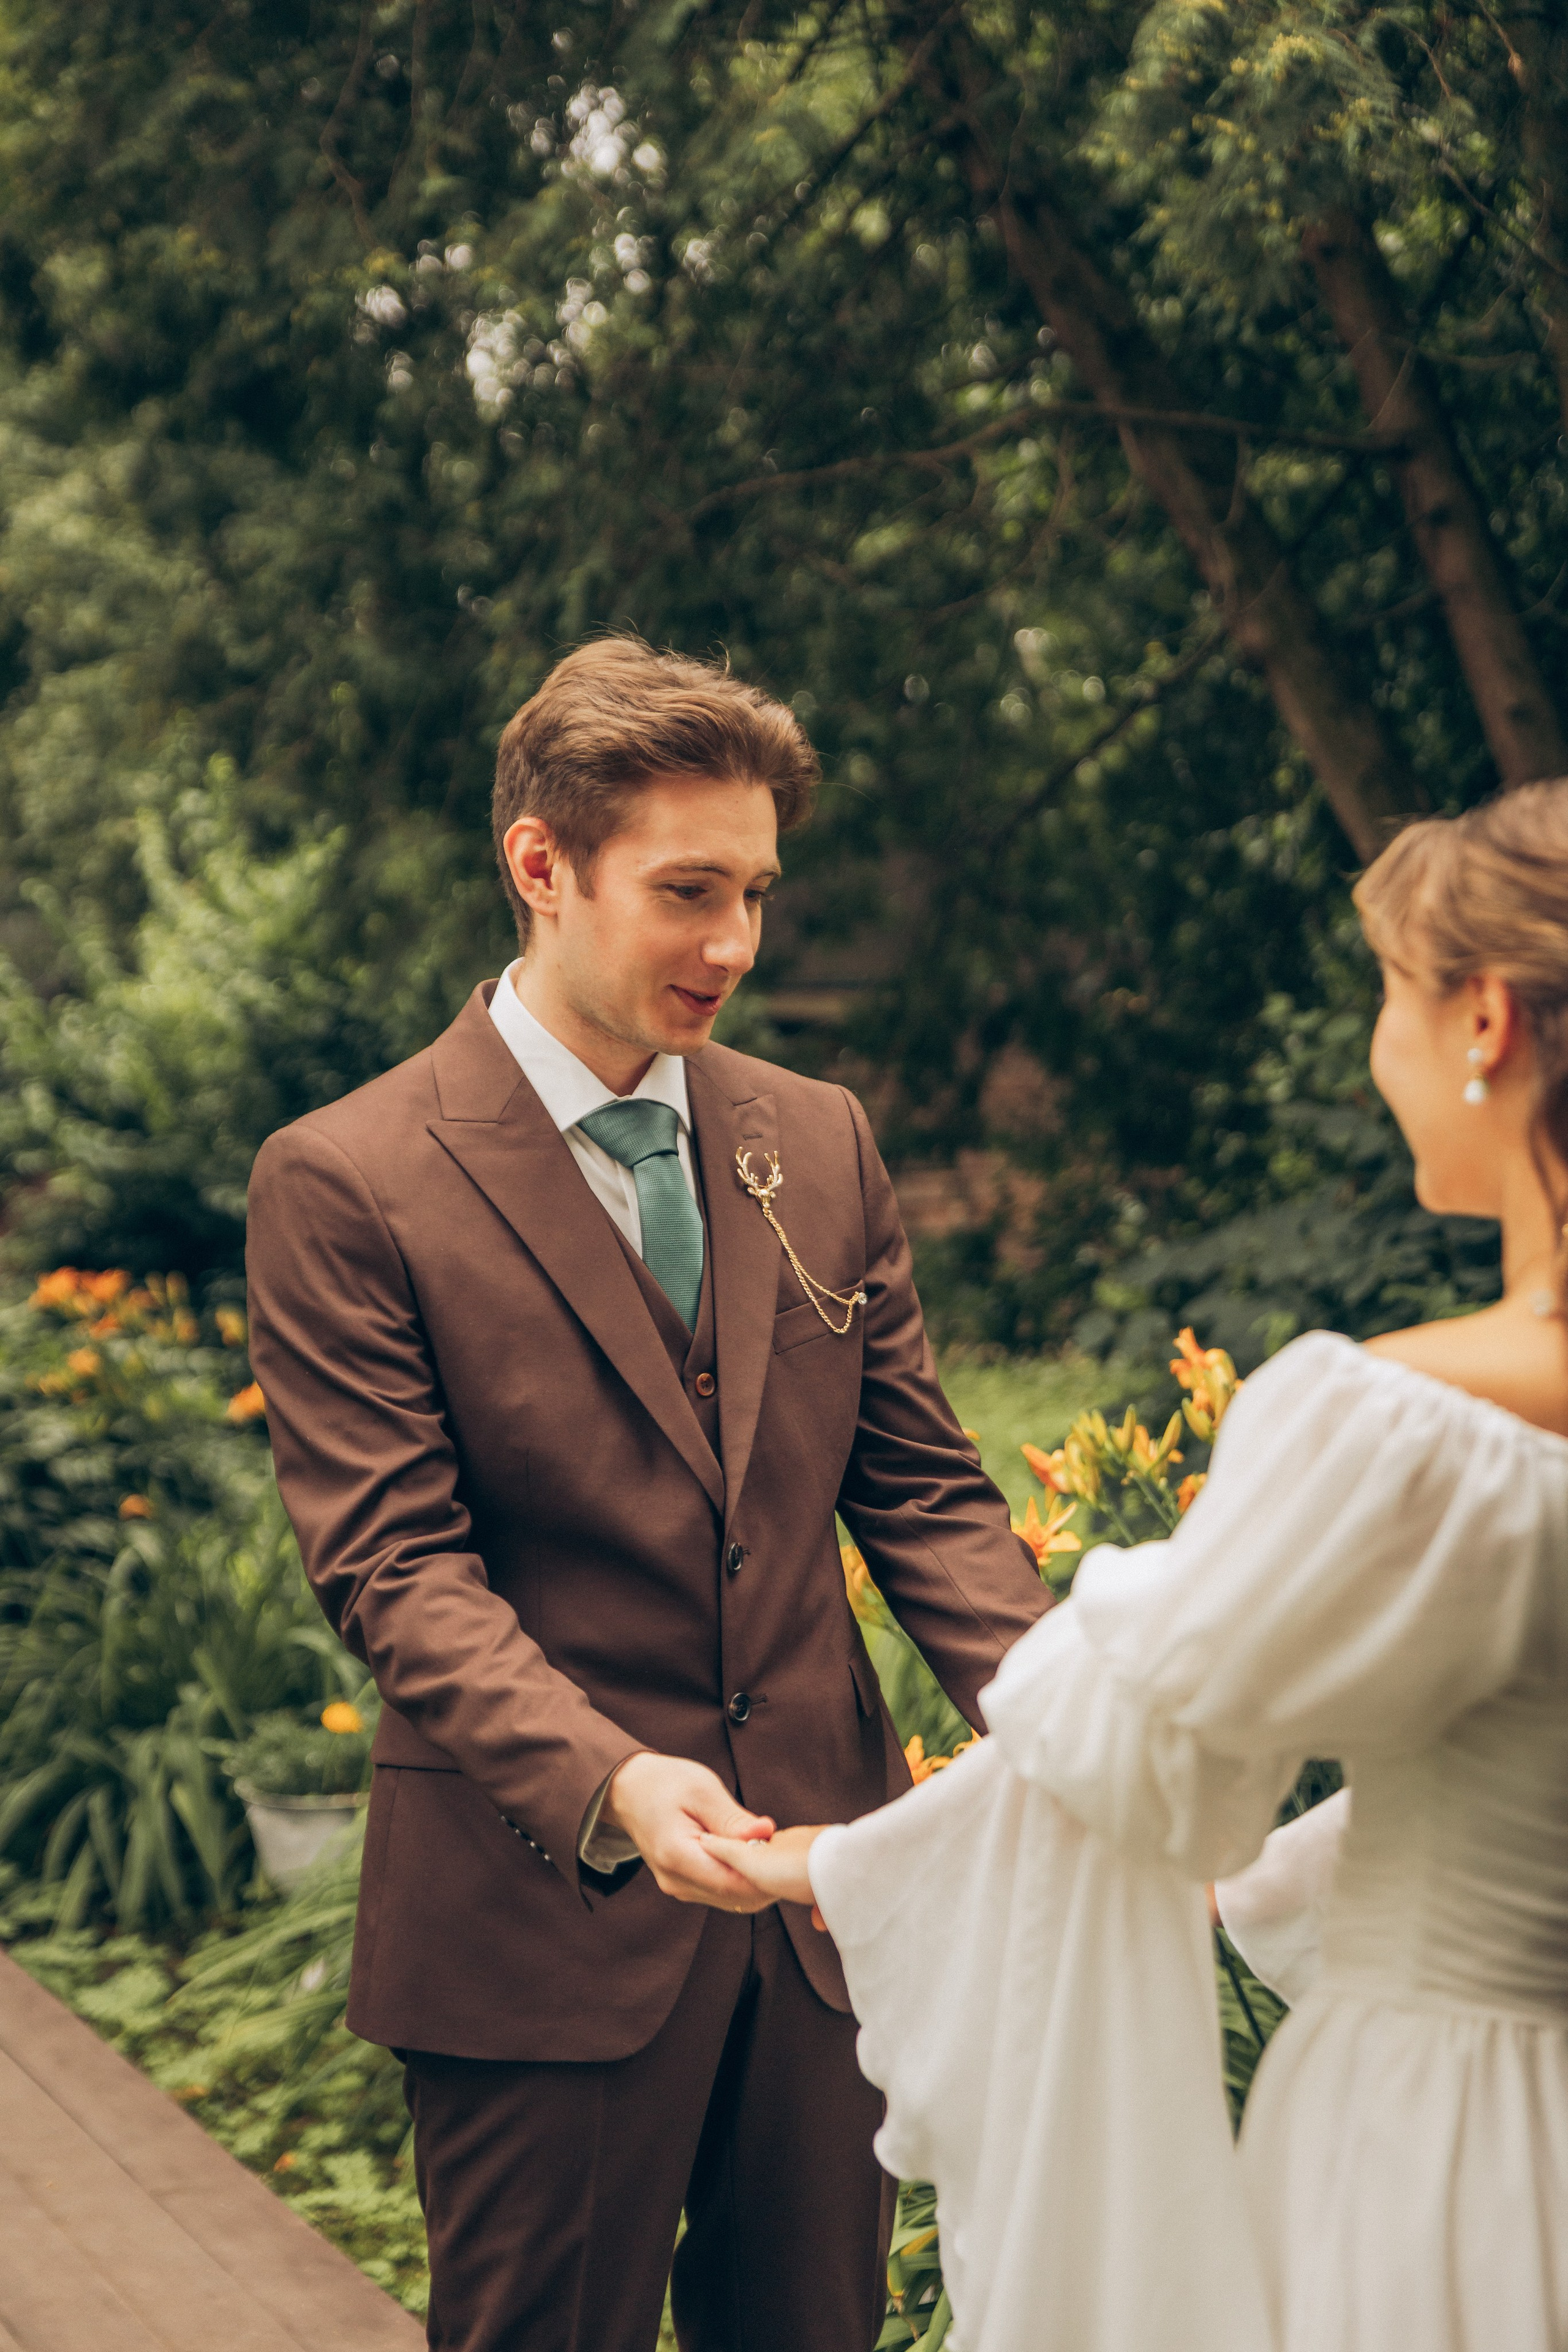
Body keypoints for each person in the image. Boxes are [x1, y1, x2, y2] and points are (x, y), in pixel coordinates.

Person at [244, 636, 1052, 2352]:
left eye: (757, 890)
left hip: (828, 1908)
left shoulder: (816, 1140)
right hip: (545, 1918)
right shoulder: (350, 1180)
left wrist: (1093, 1731)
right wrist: (611, 1777)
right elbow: (394, 1569)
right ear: (539, 865)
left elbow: (925, 1498)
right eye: (689, 890)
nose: (736, 944)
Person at [704, 780, 1568, 2352]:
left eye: (1386, 995)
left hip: (1451, 2133)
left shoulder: (1398, 1421)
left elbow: (1151, 1769)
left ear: (1484, 1023)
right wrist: (1292, 1883)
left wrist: (836, 1863)